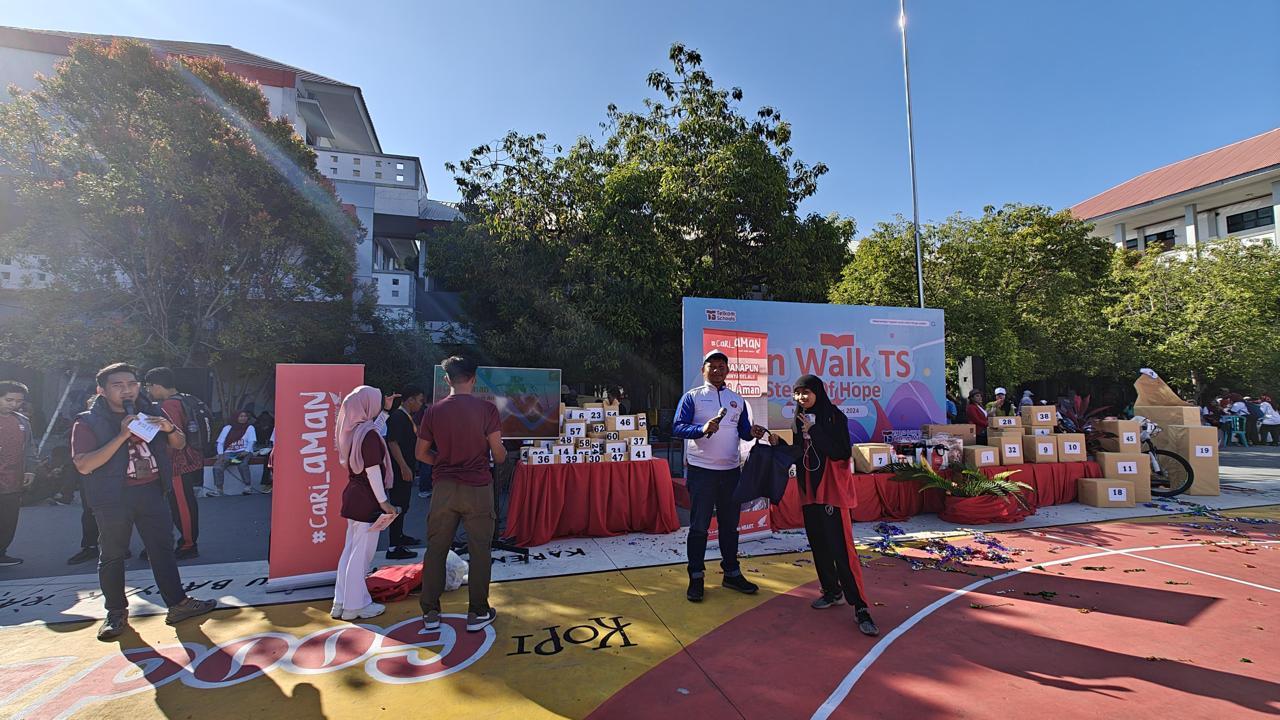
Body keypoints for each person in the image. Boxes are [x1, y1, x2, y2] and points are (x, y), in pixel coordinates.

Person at [70, 363, 216, 640]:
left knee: (161, 549)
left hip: (150, 490)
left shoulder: (151, 411)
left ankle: (178, 604)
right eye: (118, 385)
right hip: (111, 496)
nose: (127, 390)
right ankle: (116, 612)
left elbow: (179, 444)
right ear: (101, 390)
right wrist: (122, 435)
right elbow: (85, 465)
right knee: (113, 555)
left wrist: (170, 427)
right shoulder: (87, 421)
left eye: (132, 384)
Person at [768, 375, 878, 636]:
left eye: (805, 392)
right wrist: (779, 444)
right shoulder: (799, 418)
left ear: (817, 391)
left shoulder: (834, 416)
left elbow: (841, 451)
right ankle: (832, 591)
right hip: (809, 492)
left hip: (831, 492)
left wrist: (813, 431)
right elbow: (798, 452)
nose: (801, 398)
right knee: (819, 545)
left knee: (842, 550)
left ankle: (861, 607)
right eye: (797, 393)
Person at [416, 356, 505, 633]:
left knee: (436, 549)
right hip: (478, 487)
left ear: (446, 380)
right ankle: (478, 611)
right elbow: (499, 454)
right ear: (474, 378)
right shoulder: (487, 410)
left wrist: (443, 462)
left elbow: (420, 453)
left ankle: (430, 612)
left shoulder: (433, 412)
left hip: (443, 488)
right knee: (480, 550)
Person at [673, 349, 768, 603]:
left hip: (730, 472)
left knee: (729, 527)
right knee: (699, 528)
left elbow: (745, 432)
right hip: (701, 472)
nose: (717, 370)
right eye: (711, 366)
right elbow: (677, 427)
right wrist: (702, 429)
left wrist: (754, 432)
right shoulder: (692, 397)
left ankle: (732, 573)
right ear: (703, 370)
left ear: (728, 370)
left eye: (721, 366)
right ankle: (696, 576)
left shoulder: (736, 399)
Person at [331, 385, 397, 621]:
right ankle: (355, 606)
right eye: (376, 401)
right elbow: (373, 472)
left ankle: (341, 602)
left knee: (350, 551)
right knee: (362, 555)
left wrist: (385, 412)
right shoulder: (367, 435)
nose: (378, 404)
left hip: (354, 496)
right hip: (368, 499)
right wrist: (384, 502)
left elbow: (375, 432)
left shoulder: (353, 431)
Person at [142, 368, 204, 559]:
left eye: (149, 387)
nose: (149, 392)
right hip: (191, 457)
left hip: (177, 462)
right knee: (183, 502)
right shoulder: (188, 399)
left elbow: (172, 438)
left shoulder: (168, 406)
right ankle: (185, 541)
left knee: (181, 504)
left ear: (156, 386)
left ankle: (188, 544)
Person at [384, 384, 425, 560]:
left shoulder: (407, 416)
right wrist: (403, 466)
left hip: (406, 468)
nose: (421, 404)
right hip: (400, 470)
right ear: (410, 400)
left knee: (404, 505)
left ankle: (400, 536)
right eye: (420, 400)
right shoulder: (398, 417)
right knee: (398, 505)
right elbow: (392, 442)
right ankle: (393, 547)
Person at [0, 381, 37, 567]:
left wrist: (30, 469)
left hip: (13, 479)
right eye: (8, 400)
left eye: (18, 401)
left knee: (8, 519)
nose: (13, 404)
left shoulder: (22, 421)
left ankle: (1, 552)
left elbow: (30, 447)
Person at [208, 409, 261, 496]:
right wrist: (220, 454)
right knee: (217, 467)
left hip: (243, 452)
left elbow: (252, 441)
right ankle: (218, 489)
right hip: (229, 453)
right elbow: (220, 442)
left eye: (245, 416)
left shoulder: (249, 428)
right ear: (235, 417)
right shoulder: (227, 428)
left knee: (242, 465)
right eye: (241, 416)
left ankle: (248, 487)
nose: (243, 418)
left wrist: (246, 451)